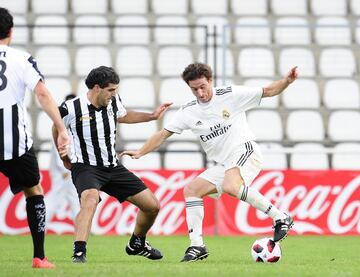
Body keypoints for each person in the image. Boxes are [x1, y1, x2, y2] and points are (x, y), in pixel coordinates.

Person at [122, 62, 298, 262]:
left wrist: (287, 81)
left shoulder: (230, 95)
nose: (199, 92)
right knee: (191, 190)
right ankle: (197, 246)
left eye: (202, 87)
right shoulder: (188, 112)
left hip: (245, 150)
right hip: (226, 163)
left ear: (210, 81)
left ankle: (280, 217)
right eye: (194, 89)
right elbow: (163, 134)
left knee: (231, 185)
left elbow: (267, 91)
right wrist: (140, 152)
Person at [52, 66, 172, 263]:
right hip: (86, 166)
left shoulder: (113, 102)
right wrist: (64, 155)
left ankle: (137, 243)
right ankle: (79, 253)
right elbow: (56, 127)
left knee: (152, 206)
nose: (114, 93)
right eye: (111, 90)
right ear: (97, 88)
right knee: (90, 199)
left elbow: (123, 116)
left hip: (112, 166)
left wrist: (152, 116)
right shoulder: (70, 108)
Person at [0, 7, 70, 268]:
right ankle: (39, 256)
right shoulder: (21, 58)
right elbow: (42, 93)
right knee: (34, 191)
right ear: (11, 31)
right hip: (15, 142)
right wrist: (61, 128)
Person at [46, 94, 80, 226]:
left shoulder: (68, 121)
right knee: (55, 198)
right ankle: (41, 224)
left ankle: (81, 226)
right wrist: (64, 168)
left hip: (70, 168)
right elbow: (58, 148)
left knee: (74, 198)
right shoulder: (61, 122)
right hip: (63, 172)